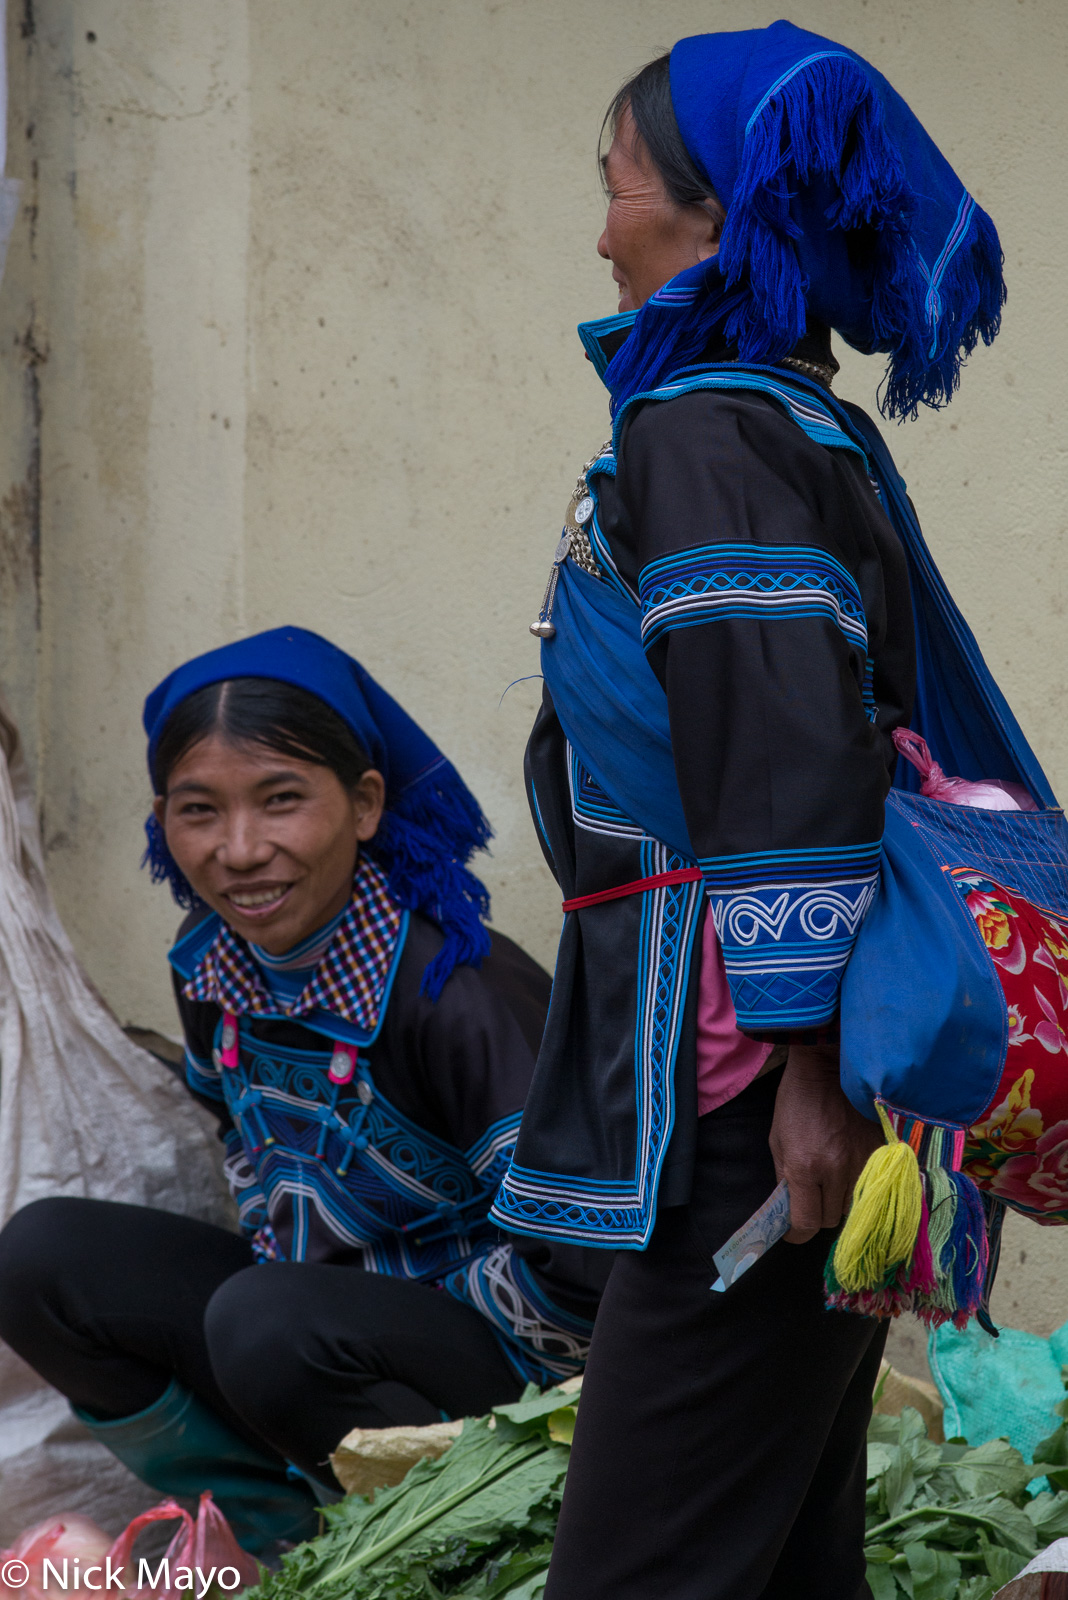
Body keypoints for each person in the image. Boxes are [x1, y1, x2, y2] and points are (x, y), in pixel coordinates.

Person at [493, 23, 1005, 1600]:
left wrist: (805, 1078)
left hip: (741, 1100)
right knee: (782, 1561)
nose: (601, 232)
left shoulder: (705, 432)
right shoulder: (780, 423)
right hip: (774, 1083)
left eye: (619, 188)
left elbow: (784, 756)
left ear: (718, 218)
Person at [0, 626, 607, 1553]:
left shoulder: (458, 996)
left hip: (521, 1370)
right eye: (199, 811)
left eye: (281, 800)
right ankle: (272, 1531)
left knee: (265, 1320)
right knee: (42, 1260)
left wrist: (361, 1307)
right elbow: (243, 1142)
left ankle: (438, 1546)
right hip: (314, 1324)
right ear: (163, 817)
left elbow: (582, 1267)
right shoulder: (211, 965)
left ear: (365, 804)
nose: (239, 851)